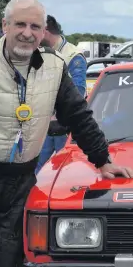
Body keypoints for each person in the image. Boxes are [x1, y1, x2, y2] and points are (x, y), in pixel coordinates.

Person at [0, 0, 133, 267]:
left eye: (35, 26)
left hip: (20, 184)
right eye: (20, 24)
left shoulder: (55, 68)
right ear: (4, 25)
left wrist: (102, 160)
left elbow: (78, 115)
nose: (27, 33)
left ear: (43, 31)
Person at [35, 14, 87, 173]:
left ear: (45, 31)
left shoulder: (73, 56)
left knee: (65, 167)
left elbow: (78, 92)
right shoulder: (39, 51)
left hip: (64, 124)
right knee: (34, 168)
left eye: (37, 30)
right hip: (42, 122)